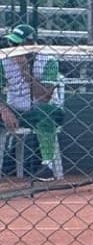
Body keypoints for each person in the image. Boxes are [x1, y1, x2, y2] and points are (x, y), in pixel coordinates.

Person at [1, 23, 66, 182]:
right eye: (11, 44)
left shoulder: (48, 60)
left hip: (44, 110)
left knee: (45, 112)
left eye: (17, 44)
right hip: (14, 109)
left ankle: (48, 165)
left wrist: (25, 71)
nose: (13, 48)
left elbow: (43, 97)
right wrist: (4, 109)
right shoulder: (3, 60)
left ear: (30, 45)